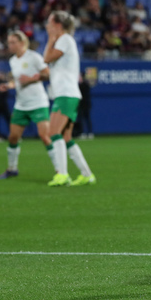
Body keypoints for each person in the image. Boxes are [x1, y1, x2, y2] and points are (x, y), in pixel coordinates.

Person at [43, 11, 96, 187]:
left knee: (53, 133)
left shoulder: (64, 39)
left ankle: (63, 174)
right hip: (68, 93)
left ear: (58, 25)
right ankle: (87, 175)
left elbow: (47, 58)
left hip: (66, 93)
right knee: (66, 137)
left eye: (50, 23)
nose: (47, 26)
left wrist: (51, 38)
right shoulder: (65, 40)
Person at [0, 31, 57, 179]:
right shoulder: (13, 61)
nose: (10, 45)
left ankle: (59, 170)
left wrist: (31, 79)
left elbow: (47, 73)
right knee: (13, 138)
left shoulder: (34, 57)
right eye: (9, 42)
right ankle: (12, 169)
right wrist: (9, 85)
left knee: (45, 136)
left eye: (13, 42)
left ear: (22, 43)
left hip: (38, 103)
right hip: (21, 104)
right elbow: (18, 81)